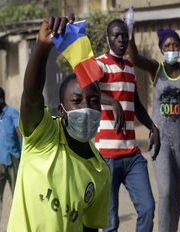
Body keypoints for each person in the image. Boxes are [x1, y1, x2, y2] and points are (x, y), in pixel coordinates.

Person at [7, 16, 111, 231]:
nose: (86, 107)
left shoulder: (100, 170)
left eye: (94, 101)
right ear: (62, 111)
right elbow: (31, 96)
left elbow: (90, 226)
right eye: (77, 101)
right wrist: (42, 47)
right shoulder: (44, 136)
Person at [94, 19, 160, 232]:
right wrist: (112, 102)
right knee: (110, 222)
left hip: (131, 155)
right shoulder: (100, 64)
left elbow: (137, 104)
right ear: (108, 39)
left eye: (124, 35)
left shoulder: (131, 69)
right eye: (116, 35)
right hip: (106, 157)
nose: (121, 39)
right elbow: (89, 92)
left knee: (148, 208)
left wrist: (153, 127)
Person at [127, 27, 180, 232]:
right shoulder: (156, 69)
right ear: (161, 49)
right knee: (165, 191)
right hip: (160, 139)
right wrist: (130, 32)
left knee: (175, 192)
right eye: (167, 46)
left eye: (175, 45)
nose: (171, 48)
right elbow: (136, 58)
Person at [0, 87, 21, 232]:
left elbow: (21, 135)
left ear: (1, 99)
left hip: (14, 160)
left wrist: (25, 156)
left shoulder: (13, 114)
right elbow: (2, 138)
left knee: (17, 194)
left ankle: (18, 225)